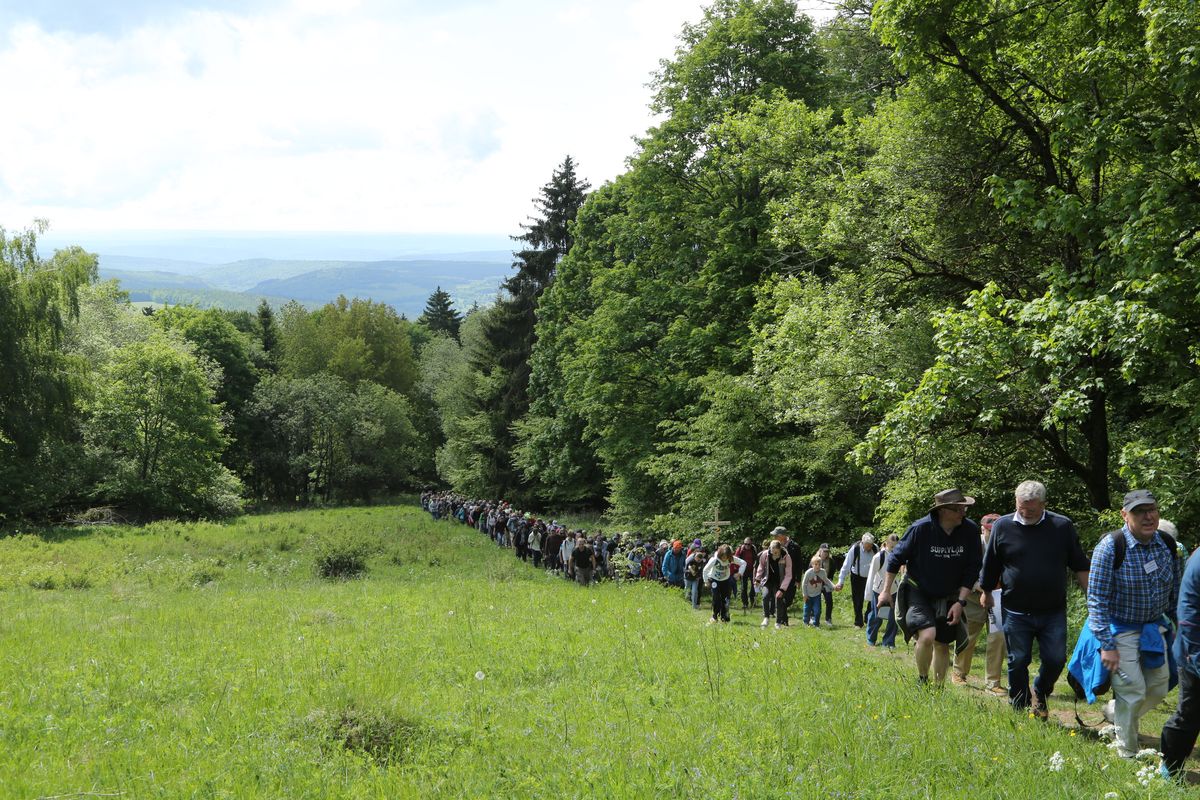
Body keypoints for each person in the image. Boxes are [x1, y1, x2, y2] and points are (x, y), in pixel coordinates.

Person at [1086, 489, 1183, 758]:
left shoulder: (1166, 544)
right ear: (1125, 515)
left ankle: (1116, 714)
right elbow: (1096, 598)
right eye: (1140, 511)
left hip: (1155, 628)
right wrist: (1106, 644)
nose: (1148, 516)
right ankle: (1126, 753)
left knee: (1159, 686)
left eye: (1151, 509)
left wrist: (1180, 629)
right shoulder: (1110, 547)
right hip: (1121, 630)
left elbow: (1175, 591)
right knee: (1132, 690)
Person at [979, 481, 1089, 716]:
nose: (1026, 514)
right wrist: (986, 592)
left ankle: (1040, 689)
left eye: (1032, 509)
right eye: (1021, 508)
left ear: (1043, 505)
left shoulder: (1061, 526)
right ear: (1015, 503)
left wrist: (1091, 597)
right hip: (1016, 609)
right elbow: (992, 562)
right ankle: (1018, 707)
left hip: (1052, 610)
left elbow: (1080, 565)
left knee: (1056, 659)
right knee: (1018, 661)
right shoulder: (1003, 526)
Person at [879, 488, 983, 687]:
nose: (964, 513)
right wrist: (885, 591)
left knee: (942, 643)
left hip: (951, 593)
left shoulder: (969, 530)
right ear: (943, 511)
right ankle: (922, 680)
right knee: (927, 636)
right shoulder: (921, 529)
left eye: (964, 509)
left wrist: (961, 602)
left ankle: (939, 688)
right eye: (959, 509)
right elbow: (895, 560)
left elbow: (973, 568)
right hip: (919, 591)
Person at [952, 513, 1008, 694]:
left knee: (998, 638)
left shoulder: (1006, 544)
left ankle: (993, 682)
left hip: (998, 598)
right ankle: (958, 673)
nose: (994, 534)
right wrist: (983, 589)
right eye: (990, 531)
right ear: (982, 529)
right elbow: (963, 573)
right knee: (968, 636)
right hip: (973, 597)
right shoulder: (971, 545)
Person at [1161, 533, 1200, 779]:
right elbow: (1188, 613)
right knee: (1190, 712)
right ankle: (1171, 767)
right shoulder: (1198, 562)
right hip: (1193, 650)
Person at [835, 533, 878, 628]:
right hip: (857, 577)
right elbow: (846, 566)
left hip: (871, 578)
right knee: (858, 600)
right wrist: (840, 581)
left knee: (873, 598)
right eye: (868, 546)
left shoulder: (875, 548)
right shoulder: (855, 549)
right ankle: (858, 622)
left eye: (871, 545)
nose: (869, 548)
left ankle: (867, 617)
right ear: (863, 543)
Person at [865, 534, 900, 648]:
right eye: (892, 547)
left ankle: (889, 642)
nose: (895, 549)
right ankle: (871, 639)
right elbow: (871, 576)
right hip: (878, 590)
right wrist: (869, 595)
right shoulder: (878, 557)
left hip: (894, 590)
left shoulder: (900, 556)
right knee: (876, 616)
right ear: (887, 544)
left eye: (897, 547)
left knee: (893, 618)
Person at [755, 540, 794, 628]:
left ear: (780, 550)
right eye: (773, 552)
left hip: (780, 582)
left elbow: (788, 575)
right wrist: (757, 579)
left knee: (779, 599)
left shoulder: (786, 557)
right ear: (770, 549)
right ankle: (766, 617)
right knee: (765, 596)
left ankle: (778, 622)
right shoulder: (765, 554)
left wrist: (782, 589)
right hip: (767, 580)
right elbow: (761, 566)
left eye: (777, 552)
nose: (775, 554)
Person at [703, 545, 746, 624]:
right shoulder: (715, 560)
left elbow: (743, 563)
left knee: (725, 599)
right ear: (720, 555)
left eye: (726, 557)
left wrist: (739, 573)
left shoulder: (731, 559)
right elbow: (705, 570)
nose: (724, 559)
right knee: (716, 598)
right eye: (723, 557)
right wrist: (706, 581)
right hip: (714, 580)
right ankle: (714, 616)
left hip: (725, 580)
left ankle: (724, 617)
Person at [802, 555, 835, 627]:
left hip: (817, 594)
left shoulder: (822, 572)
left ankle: (816, 624)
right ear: (812, 564)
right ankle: (805, 622)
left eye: (819, 564)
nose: (817, 566)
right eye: (816, 564)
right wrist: (804, 594)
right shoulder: (808, 572)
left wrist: (833, 586)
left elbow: (826, 580)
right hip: (808, 595)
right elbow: (804, 584)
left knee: (818, 610)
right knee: (807, 610)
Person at [735, 537, 758, 610]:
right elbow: (736, 558)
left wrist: (756, 566)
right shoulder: (740, 549)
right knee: (743, 587)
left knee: (754, 586)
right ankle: (745, 603)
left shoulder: (753, 549)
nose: (747, 546)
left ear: (751, 544)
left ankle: (752, 601)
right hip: (743, 571)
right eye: (745, 544)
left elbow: (756, 558)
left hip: (752, 570)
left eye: (748, 544)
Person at [817, 543, 835, 626]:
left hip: (826, 583)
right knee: (815, 601)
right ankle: (813, 617)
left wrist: (830, 579)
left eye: (827, 552)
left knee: (829, 601)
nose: (825, 553)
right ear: (820, 551)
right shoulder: (815, 560)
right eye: (824, 551)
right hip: (816, 583)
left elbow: (832, 571)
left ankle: (828, 619)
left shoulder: (831, 561)